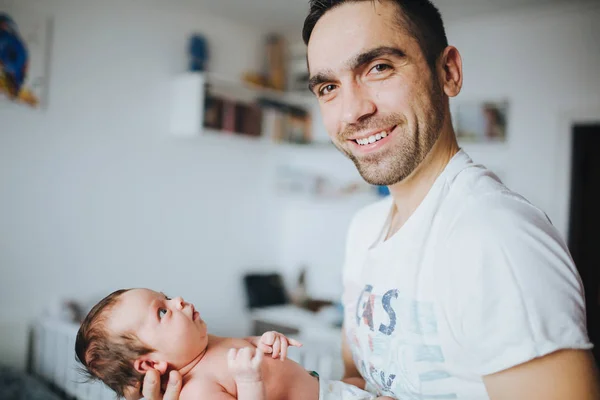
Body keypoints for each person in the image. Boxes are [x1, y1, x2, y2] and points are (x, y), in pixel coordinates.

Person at [138, 0, 600, 399]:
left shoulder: (494, 236)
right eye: (328, 87)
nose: (353, 110)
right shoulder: (365, 230)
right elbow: (354, 384)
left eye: (378, 67)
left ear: (448, 72)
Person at [76, 288, 394, 400]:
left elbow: (246, 345)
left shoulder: (207, 344)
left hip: (324, 388)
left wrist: (266, 341)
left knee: (361, 381)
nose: (178, 301)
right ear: (149, 363)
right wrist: (248, 381)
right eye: (162, 310)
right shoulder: (196, 391)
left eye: (167, 296)